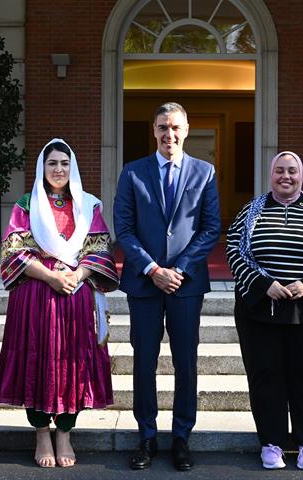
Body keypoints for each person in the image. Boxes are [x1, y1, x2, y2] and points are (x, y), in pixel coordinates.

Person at [0, 138, 118, 468]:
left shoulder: (88, 205)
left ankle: (64, 432)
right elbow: (13, 252)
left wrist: (76, 276)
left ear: (72, 167)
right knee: (38, 358)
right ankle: (40, 433)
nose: (58, 169)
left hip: (76, 295)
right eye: (52, 163)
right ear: (42, 168)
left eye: (64, 163)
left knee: (72, 362)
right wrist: (50, 277)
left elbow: (100, 249)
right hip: (36, 295)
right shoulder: (26, 204)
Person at [113, 102, 221, 471]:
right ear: (154, 130)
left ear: (187, 130)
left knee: (185, 362)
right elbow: (124, 230)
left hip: (186, 285)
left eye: (175, 127)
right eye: (162, 127)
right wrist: (152, 268)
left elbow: (210, 228)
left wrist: (178, 269)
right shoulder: (132, 173)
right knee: (144, 362)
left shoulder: (205, 172)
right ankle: (146, 436)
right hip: (144, 284)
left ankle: (180, 437)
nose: (168, 134)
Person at [226, 151, 303, 470]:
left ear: (301, 175)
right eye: (279, 170)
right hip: (261, 310)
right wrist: (263, 282)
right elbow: (234, 250)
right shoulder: (251, 211)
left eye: (292, 171)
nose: (286, 176)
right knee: (266, 376)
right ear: (271, 175)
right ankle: (272, 442)